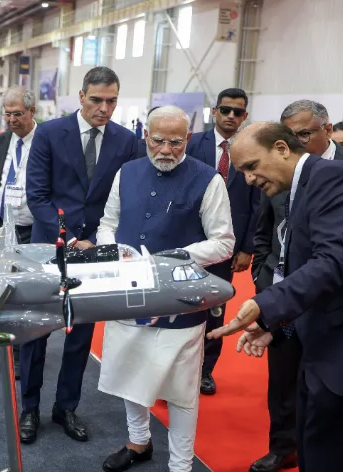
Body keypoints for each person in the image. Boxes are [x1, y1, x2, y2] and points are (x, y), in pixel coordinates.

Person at [209, 121, 343, 472]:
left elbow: (331, 263)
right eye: (242, 172)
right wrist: (277, 326)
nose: (249, 179)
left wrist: (262, 305)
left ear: (282, 148)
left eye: (252, 166)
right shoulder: (298, 188)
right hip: (318, 342)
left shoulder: (333, 178)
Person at [96, 105, 235, 472]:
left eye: (176, 142)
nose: (166, 150)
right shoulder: (126, 173)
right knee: (129, 373)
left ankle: (181, 464)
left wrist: (175, 257)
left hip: (181, 303)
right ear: (146, 136)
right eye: (158, 140)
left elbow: (223, 242)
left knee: (181, 390)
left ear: (188, 139)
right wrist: (114, 250)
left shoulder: (208, 179)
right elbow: (107, 223)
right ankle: (138, 442)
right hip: (128, 294)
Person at [21, 66, 138, 444]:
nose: (104, 108)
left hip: (96, 251)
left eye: (111, 101)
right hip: (49, 247)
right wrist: (68, 237)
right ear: (81, 96)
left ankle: (66, 407)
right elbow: (37, 196)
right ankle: (29, 408)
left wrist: (100, 241)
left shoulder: (126, 140)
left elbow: (123, 199)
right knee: (36, 331)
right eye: (97, 100)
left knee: (80, 335)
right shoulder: (50, 133)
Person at [186, 88, 261, 395]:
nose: (231, 116)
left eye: (238, 112)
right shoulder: (193, 143)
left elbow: (258, 202)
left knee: (216, 308)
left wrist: (247, 248)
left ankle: (205, 370)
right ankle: (179, 369)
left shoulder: (253, 148)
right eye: (226, 109)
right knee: (184, 306)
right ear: (214, 111)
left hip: (229, 247)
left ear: (245, 116)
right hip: (191, 242)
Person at [0, 86, 38, 368]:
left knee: (23, 291)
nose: (12, 120)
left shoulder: (46, 142)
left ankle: (19, 351)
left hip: (31, 229)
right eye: (7, 114)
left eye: (18, 114)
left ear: (32, 112)